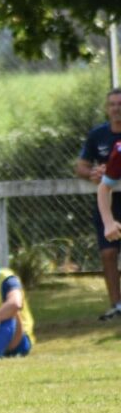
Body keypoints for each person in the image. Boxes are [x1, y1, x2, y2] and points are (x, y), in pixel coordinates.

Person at [76, 88, 121, 320]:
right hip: (110, 204)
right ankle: (117, 305)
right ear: (107, 108)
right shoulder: (101, 138)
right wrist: (94, 173)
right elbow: (84, 169)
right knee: (108, 253)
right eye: (112, 104)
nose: (116, 108)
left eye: (120, 104)